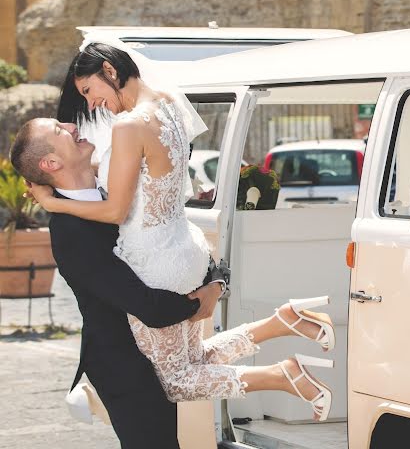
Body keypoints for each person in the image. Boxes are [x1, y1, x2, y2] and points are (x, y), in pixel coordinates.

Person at [27, 42, 335, 421]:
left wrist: (54, 204)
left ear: (109, 71)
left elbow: (116, 210)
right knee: (195, 360)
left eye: (90, 91)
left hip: (155, 263)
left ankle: (282, 374)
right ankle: (280, 322)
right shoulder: (168, 102)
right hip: (184, 248)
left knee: (176, 382)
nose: (91, 105)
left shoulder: (128, 125)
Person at [9, 118, 224, 448]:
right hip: (125, 365)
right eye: (58, 129)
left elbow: (176, 240)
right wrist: (203, 299)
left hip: (169, 350)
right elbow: (146, 305)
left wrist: (217, 281)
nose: (70, 125)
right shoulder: (70, 232)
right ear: (51, 163)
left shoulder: (118, 185)